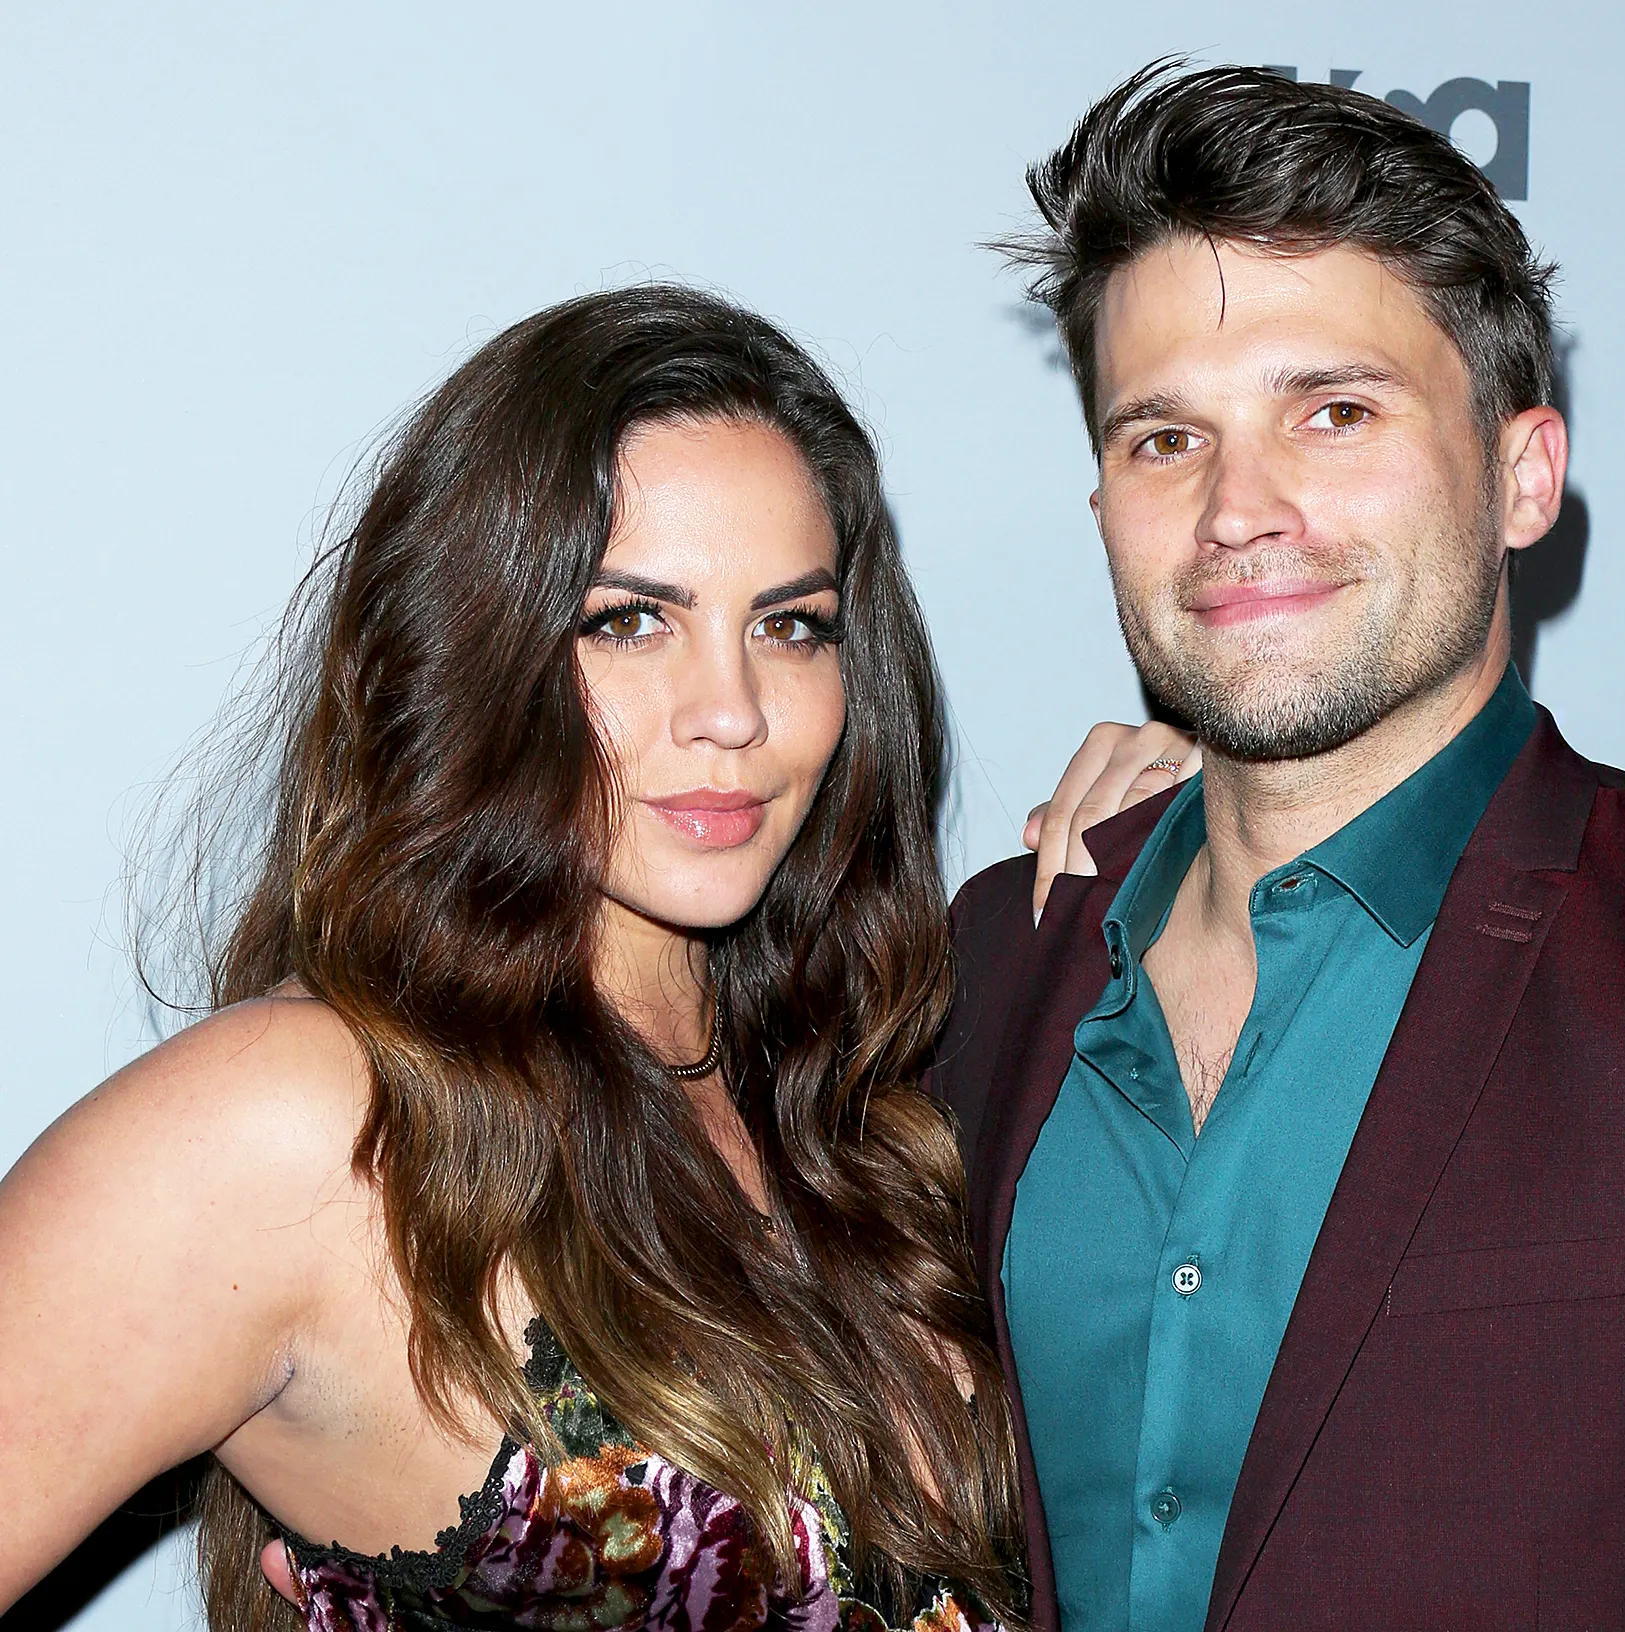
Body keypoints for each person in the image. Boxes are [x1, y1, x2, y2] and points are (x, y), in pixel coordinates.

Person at [934, 63, 1625, 1632]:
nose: (1240, 509)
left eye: (1336, 412)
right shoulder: (998, 952)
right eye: (1165, 440)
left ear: (1523, 475)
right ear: (1102, 498)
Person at [1, 284, 1104, 1632]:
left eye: (792, 625)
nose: (733, 713)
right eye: (628, 621)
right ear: (476, 648)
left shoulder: (857, 1110)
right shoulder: (299, 1122)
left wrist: (1208, 822)